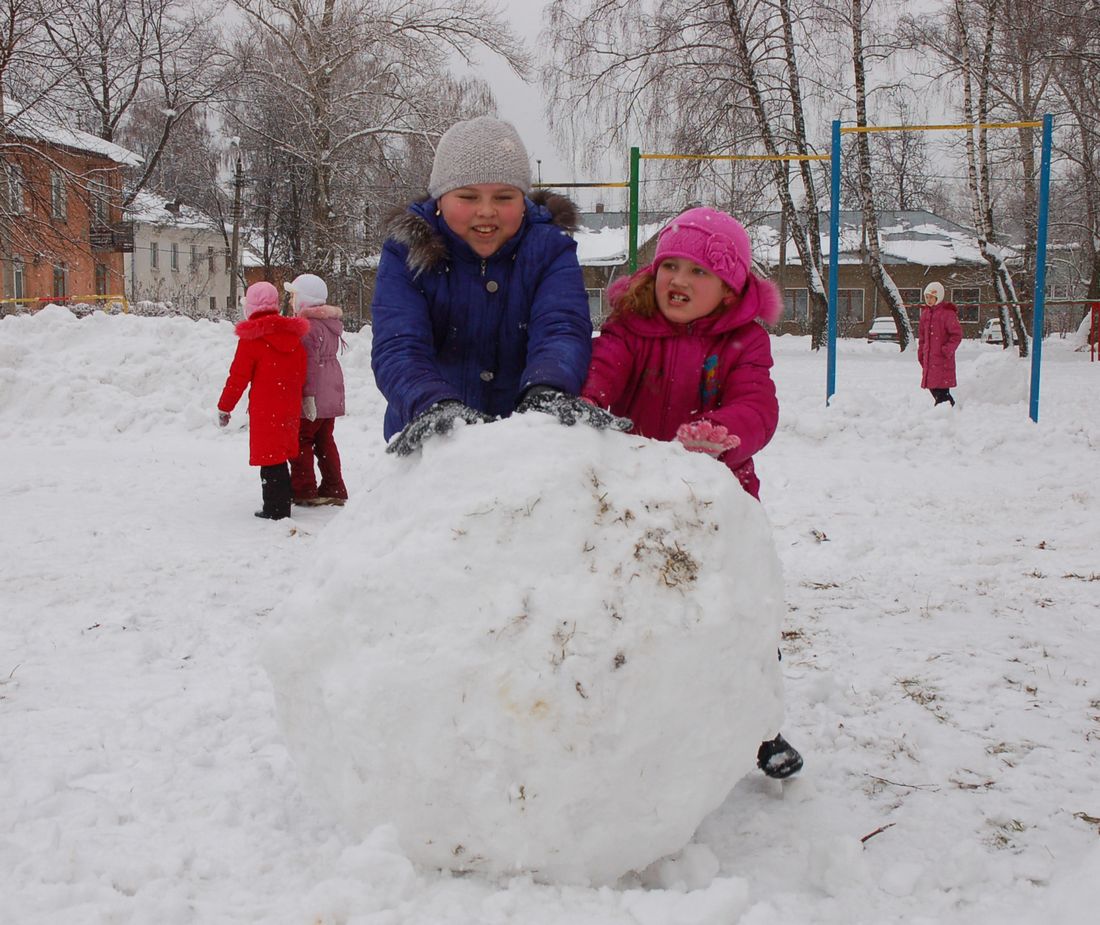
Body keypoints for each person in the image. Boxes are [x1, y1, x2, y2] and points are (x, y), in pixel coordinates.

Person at [581, 206, 803, 780]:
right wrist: (586, 406)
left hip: (716, 504)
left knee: (734, 613)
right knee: (632, 610)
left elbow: (758, 404)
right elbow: (602, 372)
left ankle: (762, 729)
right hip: (637, 499)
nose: (678, 280)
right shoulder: (629, 328)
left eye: (699, 272)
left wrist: (724, 434)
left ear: (730, 291)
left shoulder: (743, 341)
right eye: (669, 266)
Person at [370, 115, 628, 456]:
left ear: (523, 201)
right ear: (439, 199)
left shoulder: (548, 249)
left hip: (526, 442)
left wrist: (547, 387)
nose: (487, 211)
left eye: (504, 197)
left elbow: (561, 326)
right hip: (432, 444)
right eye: (468, 196)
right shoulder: (408, 252)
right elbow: (399, 345)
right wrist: (432, 402)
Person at [217, 281, 309, 520]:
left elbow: (238, 377)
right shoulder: (293, 336)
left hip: (265, 407)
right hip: (288, 403)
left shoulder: (251, 339)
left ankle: (275, 508)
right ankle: (284, 500)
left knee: (270, 458)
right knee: (280, 454)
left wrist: (225, 406)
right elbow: (301, 369)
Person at [284, 273, 349, 507]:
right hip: (331, 391)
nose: (291, 301)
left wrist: (307, 396)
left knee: (301, 439)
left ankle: (303, 489)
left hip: (316, 392)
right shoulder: (329, 324)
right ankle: (334, 487)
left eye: (294, 296)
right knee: (324, 439)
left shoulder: (308, 328)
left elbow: (309, 365)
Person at [917, 281, 962, 406]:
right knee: (933, 386)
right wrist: (921, 352)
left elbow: (956, 335)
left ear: (938, 297)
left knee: (941, 388)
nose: (928, 300)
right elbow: (922, 337)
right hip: (929, 358)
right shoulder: (925, 314)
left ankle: (946, 409)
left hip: (943, 359)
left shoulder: (947, 314)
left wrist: (947, 349)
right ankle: (946, 408)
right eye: (927, 297)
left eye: (931, 297)